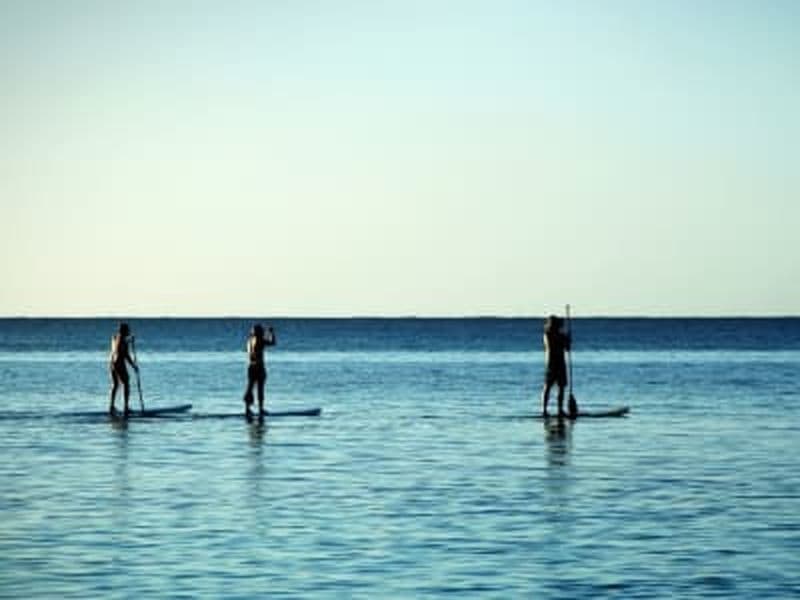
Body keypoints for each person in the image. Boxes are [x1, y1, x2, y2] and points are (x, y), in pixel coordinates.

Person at [243, 324, 276, 417]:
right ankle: (261, 410)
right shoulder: (260, 340)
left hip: (250, 367)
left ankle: (247, 409)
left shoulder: (249, 341)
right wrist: (271, 333)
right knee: (260, 389)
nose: (262, 332)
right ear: (259, 332)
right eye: (261, 331)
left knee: (250, 388)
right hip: (259, 367)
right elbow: (272, 343)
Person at [541, 314, 571, 418]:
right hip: (551, 364)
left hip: (561, 363)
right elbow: (551, 345)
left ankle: (560, 409)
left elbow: (567, 349)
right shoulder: (547, 334)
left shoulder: (561, 335)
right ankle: (544, 410)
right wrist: (563, 338)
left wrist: (568, 340)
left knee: (561, 387)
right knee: (548, 387)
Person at [109, 322, 138, 416]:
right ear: (125, 331)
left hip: (112, 363)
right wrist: (134, 366)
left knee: (115, 384)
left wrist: (129, 341)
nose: (129, 331)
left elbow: (118, 345)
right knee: (126, 383)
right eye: (128, 330)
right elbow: (125, 355)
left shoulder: (114, 338)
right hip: (119, 363)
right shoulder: (122, 340)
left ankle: (111, 406)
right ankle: (126, 407)